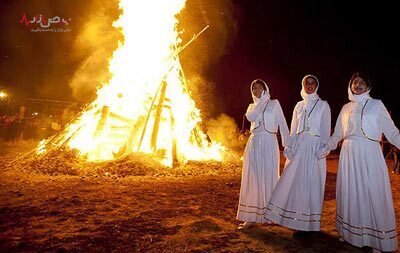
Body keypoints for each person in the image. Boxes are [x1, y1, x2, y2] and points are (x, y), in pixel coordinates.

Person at [322, 72, 399, 252]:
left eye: (361, 82)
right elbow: (337, 134)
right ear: (350, 86)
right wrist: (325, 149)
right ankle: (350, 234)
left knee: (373, 193)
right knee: (351, 193)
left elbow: (392, 131)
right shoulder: (346, 107)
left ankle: (377, 240)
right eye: (354, 82)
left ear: (368, 86)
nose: (357, 85)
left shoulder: (376, 105)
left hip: (370, 153)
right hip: (349, 155)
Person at [264, 74, 331, 232]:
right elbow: (293, 130)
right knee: (294, 183)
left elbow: (325, 130)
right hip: (299, 148)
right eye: (306, 83)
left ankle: (310, 225)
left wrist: (324, 148)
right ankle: (295, 221)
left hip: (314, 148)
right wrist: (289, 146)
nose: (309, 85)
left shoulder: (323, 105)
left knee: (312, 184)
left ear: (317, 85)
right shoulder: (299, 105)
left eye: (312, 83)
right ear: (303, 85)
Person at [237, 79, 289, 229]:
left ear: (265, 88)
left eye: (260, 87)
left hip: (269, 142)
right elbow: (251, 117)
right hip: (254, 143)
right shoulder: (252, 106)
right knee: (253, 178)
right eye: (254, 88)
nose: (256, 90)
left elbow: (283, 124)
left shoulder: (274, 103)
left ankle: (271, 215)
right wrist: (261, 101)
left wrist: (288, 145)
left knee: (270, 176)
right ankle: (251, 217)